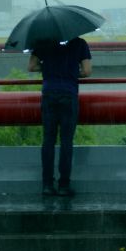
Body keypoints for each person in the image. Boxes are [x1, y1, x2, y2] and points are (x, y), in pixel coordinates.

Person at [28, 36, 92, 196]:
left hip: (49, 94)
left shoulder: (43, 42)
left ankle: (47, 185)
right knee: (66, 141)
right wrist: (69, 70)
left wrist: (49, 67)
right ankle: (64, 185)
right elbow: (87, 71)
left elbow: (31, 67)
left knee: (48, 140)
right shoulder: (80, 43)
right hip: (68, 94)